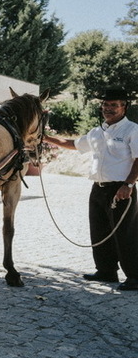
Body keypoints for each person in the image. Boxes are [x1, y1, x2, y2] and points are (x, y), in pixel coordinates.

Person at [43, 87, 138, 291]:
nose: (108, 108)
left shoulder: (132, 130)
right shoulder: (97, 132)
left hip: (121, 189)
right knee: (99, 230)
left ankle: (134, 277)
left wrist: (128, 184)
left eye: (114, 105)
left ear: (124, 107)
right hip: (98, 188)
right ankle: (106, 271)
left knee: (125, 233)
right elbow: (73, 144)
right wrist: (46, 138)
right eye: (105, 105)